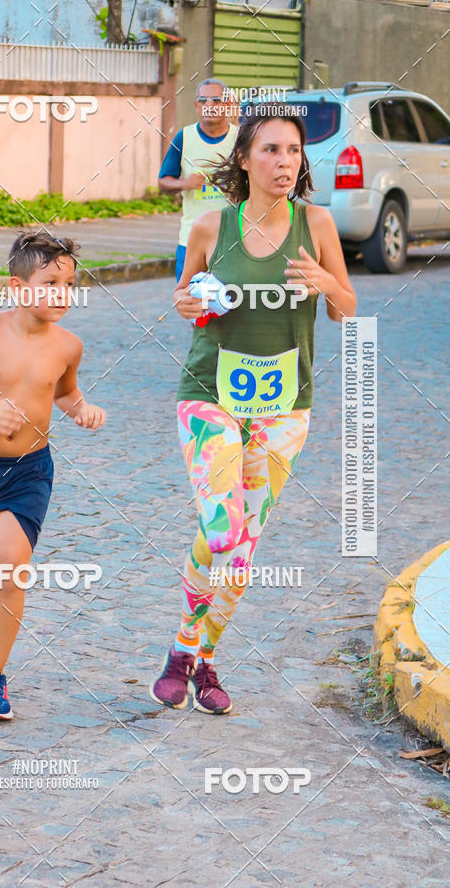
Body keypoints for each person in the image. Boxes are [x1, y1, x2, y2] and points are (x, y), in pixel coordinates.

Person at [150, 105, 356, 715]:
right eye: (270, 150)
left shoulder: (316, 225)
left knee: (243, 550)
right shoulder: (213, 227)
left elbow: (347, 306)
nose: (284, 161)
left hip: (285, 407)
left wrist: (324, 282)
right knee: (222, 529)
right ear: (244, 159)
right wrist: (188, 303)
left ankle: (199, 658)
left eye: (292, 151)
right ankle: (186, 649)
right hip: (210, 394)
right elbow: (186, 296)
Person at [0, 231, 106, 720]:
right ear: (18, 287)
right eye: (50, 283)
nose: (62, 294)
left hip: (30, 472)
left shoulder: (68, 345)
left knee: (11, 569)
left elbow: (64, 392)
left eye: (69, 285)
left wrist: (81, 409)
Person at [158, 79, 239, 281]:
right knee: (191, 301)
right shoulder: (184, 137)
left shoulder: (241, 139)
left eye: (216, 100)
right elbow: (163, 182)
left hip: (231, 240)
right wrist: (184, 183)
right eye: (203, 101)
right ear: (196, 106)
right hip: (191, 239)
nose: (209, 106)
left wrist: (238, 191)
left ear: (227, 105)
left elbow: (258, 183)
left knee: (230, 306)